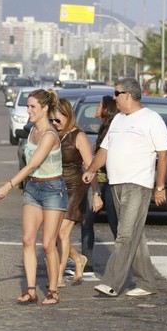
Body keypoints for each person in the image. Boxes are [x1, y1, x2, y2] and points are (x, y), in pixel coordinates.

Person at [83, 78, 167, 297]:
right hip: (116, 184)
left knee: (124, 235)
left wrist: (159, 187)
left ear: (128, 95)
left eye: (117, 93)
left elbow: (164, 153)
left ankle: (112, 282)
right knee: (134, 236)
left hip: (138, 184)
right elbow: (104, 150)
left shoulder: (152, 119)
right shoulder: (118, 120)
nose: (114, 97)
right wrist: (91, 169)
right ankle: (146, 283)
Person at [0, 89, 67, 306]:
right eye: (27, 106)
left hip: (53, 189)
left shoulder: (50, 135)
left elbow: (34, 163)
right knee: (27, 240)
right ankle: (31, 289)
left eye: (33, 106)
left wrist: (9, 185)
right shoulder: (32, 130)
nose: (29, 110)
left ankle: (53, 290)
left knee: (47, 244)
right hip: (33, 188)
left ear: (45, 108)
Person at [51, 97, 97, 286]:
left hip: (75, 187)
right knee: (53, 234)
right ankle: (78, 259)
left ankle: (58, 278)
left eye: (58, 120)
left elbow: (91, 166)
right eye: (52, 120)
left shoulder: (79, 136)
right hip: (55, 188)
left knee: (61, 233)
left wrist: (96, 193)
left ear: (68, 115)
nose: (55, 124)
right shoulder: (53, 135)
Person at [81, 95, 119, 273]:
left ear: (106, 109)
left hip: (111, 183)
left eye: (99, 105)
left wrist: (92, 164)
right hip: (97, 182)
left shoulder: (114, 128)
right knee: (86, 221)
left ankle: (121, 261)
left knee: (115, 224)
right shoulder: (102, 128)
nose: (96, 108)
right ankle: (86, 261)